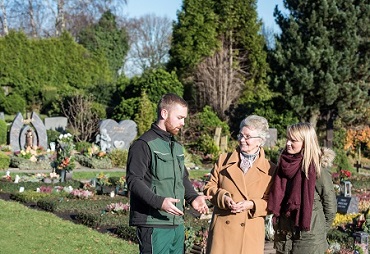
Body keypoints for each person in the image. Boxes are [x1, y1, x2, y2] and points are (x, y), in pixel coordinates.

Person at [126, 93, 210, 254]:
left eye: (184, 118)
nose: (183, 123)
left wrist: (193, 197)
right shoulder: (143, 145)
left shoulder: (176, 147)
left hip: (177, 223)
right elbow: (133, 181)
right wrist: (159, 202)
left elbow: (182, 178)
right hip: (153, 223)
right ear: (164, 113)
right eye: (179, 117)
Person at [203, 115, 276, 254]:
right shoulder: (223, 161)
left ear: (260, 141)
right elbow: (209, 188)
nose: (242, 140)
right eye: (241, 135)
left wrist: (252, 204)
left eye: (248, 137)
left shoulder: (270, 169)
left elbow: (272, 202)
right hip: (223, 232)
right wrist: (223, 197)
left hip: (250, 234)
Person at [267, 122, 337, 254]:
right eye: (288, 138)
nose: (288, 143)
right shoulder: (283, 165)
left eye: (293, 140)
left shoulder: (317, 171)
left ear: (306, 142)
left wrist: (318, 232)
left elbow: (330, 208)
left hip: (309, 241)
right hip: (284, 237)